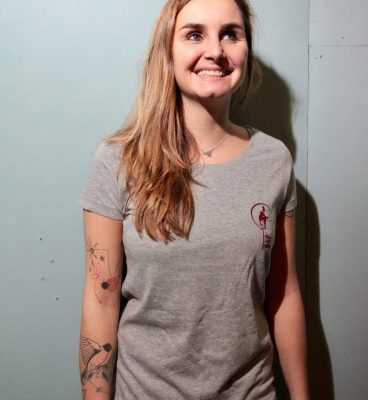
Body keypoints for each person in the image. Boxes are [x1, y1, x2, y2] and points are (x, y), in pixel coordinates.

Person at [78, 0, 309, 399]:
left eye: (230, 34)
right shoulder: (118, 160)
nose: (215, 51)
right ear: (167, 50)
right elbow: (102, 298)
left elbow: (283, 294)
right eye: (195, 34)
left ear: (246, 49)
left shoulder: (274, 159)